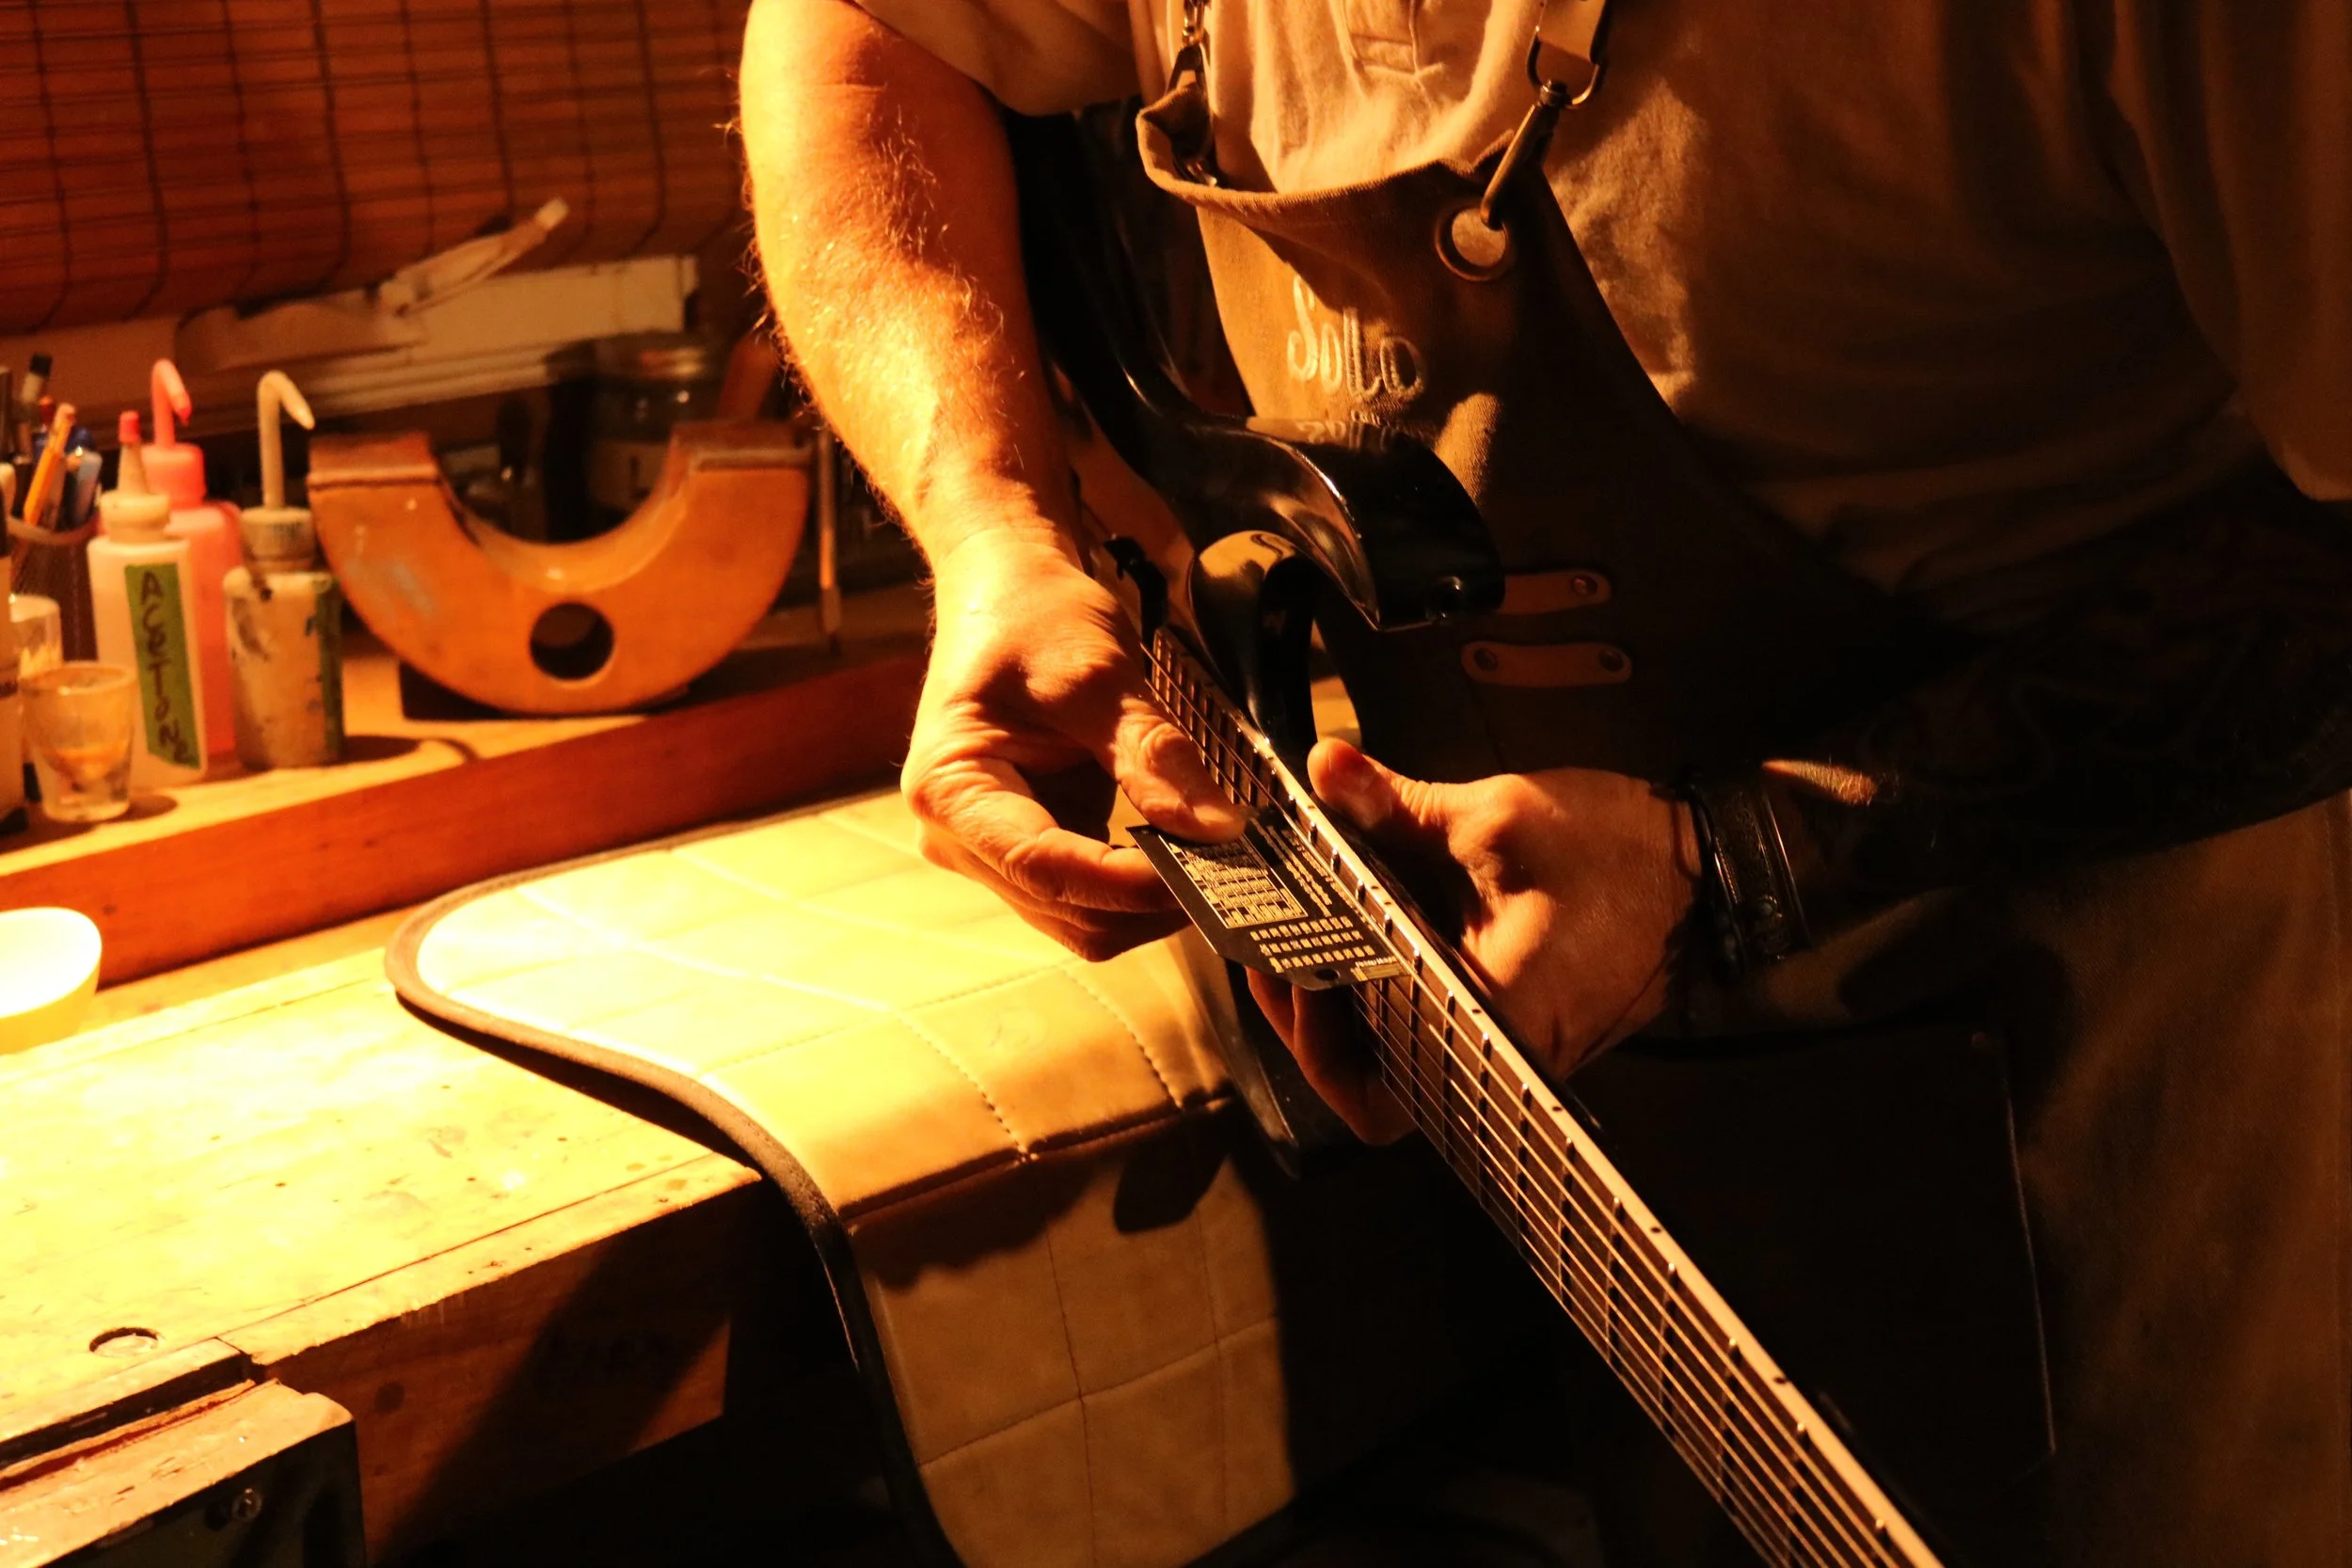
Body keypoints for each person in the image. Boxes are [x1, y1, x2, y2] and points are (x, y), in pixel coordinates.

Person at [740, 2, 2351, 1562]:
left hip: (2157, 1042)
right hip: (1575, 1101)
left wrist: (1737, 858)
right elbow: (865, 25)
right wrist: (991, 524)